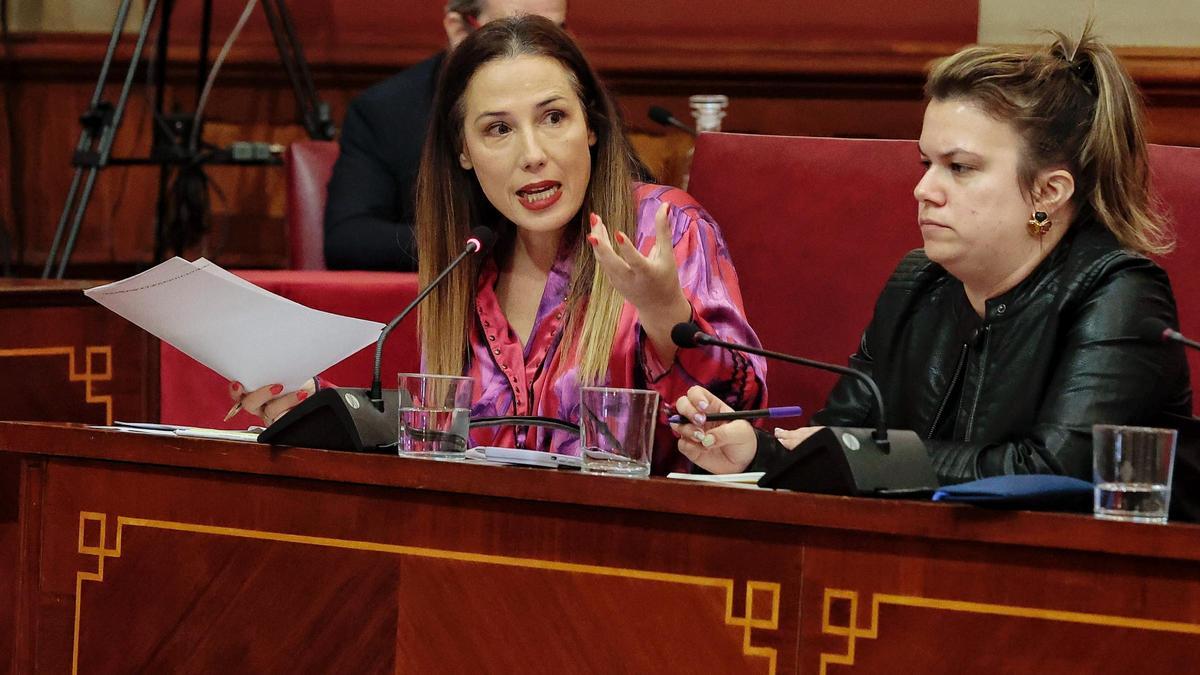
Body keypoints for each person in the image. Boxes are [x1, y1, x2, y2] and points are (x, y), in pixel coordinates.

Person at [234, 16, 766, 474]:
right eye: (498, 130)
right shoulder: (472, 259)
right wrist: (314, 405)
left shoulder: (661, 228)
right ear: (464, 151)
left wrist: (663, 311)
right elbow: (443, 447)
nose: (532, 154)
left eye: (554, 118)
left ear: (592, 128)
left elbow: (736, 423)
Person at [671, 27, 1192, 483]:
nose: (924, 189)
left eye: (959, 168)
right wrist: (751, 450)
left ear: (1049, 192)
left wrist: (874, 456)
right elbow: (837, 446)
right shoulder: (918, 283)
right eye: (926, 163)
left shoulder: (1117, 292)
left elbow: (1056, 471)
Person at [323, 0, 568, 270]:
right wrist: (479, 245)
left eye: (555, 35)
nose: (540, 57)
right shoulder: (386, 111)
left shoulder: (580, 104)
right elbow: (348, 238)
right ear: (459, 30)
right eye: (513, 33)